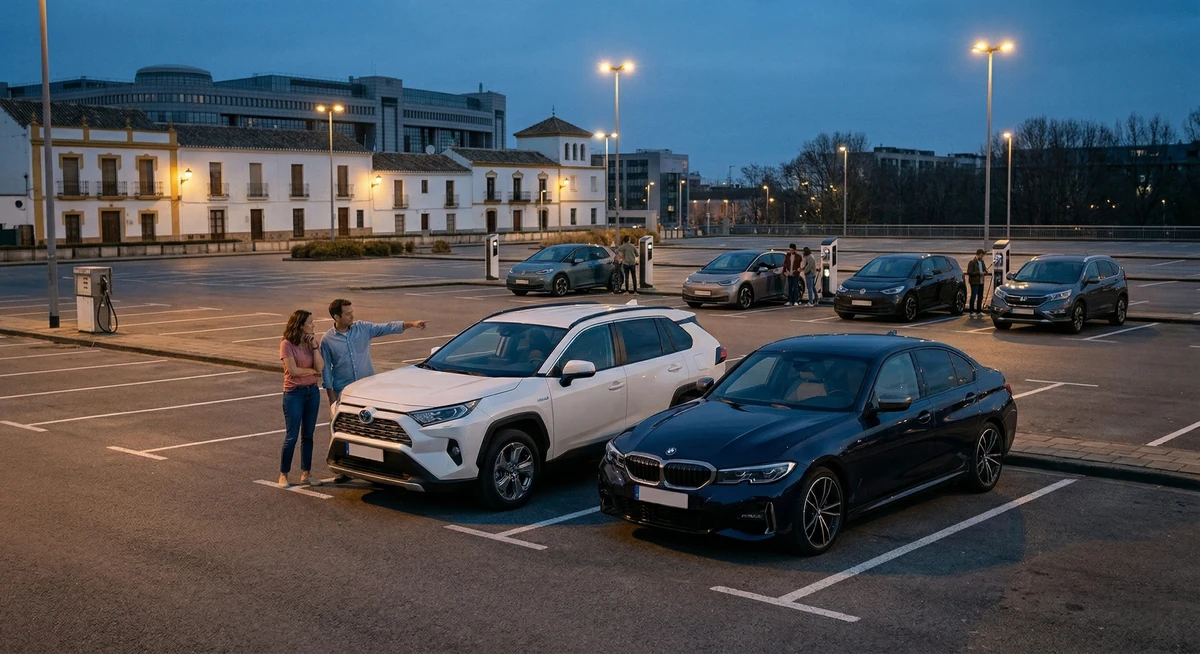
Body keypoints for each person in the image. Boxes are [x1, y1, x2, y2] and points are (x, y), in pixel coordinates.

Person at [321, 298, 427, 482]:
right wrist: (331, 397)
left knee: (369, 427)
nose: (352, 315)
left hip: (366, 390)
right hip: (343, 392)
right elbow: (326, 371)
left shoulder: (363, 328)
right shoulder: (327, 340)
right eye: (347, 313)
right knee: (344, 430)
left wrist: (411, 324)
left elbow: (386, 327)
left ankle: (373, 463)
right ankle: (344, 469)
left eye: (352, 312)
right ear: (336, 316)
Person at [278, 310, 324, 488]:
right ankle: (284, 474)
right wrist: (312, 371)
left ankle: (307, 473)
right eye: (310, 322)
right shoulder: (287, 344)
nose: (313, 325)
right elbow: (293, 371)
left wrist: (314, 347)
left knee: (308, 435)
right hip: (294, 393)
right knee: (292, 436)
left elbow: (320, 366)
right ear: (300, 325)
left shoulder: (312, 342)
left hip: (312, 392)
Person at [967, 249, 988, 317]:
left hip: (981, 281)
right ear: (978, 254)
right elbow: (969, 272)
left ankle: (979, 311)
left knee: (980, 296)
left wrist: (985, 272)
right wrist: (979, 273)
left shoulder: (982, 262)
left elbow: (985, 269)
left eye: (983, 256)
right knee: (973, 296)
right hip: (974, 282)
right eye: (981, 255)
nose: (982, 257)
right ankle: (971, 311)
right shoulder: (972, 262)